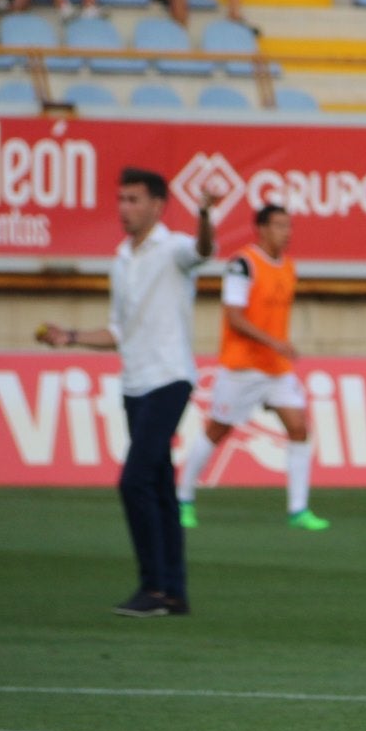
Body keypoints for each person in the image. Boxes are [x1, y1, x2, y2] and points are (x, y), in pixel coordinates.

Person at [37, 168, 215, 618]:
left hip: (169, 378)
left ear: (158, 204)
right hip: (134, 383)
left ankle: (153, 588)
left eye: (134, 200)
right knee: (158, 489)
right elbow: (119, 330)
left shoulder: (172, 247)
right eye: (121, 199)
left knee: (133, 481)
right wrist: (72, 337)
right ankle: (174, 593)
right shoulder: (121, 259)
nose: (124, 208)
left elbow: (203, 250)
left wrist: (207, 212)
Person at [177, 204, 329, 533]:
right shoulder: (242, 265)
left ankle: (298, 509)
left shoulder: (288, 267)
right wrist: (274, 342)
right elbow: (234, 316)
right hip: (242, 366)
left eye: (289, 226)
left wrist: (277, 349)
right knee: (218, 430)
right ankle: (183, 497)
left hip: (276, 369)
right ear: (260, 228)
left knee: (299, 428)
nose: (286, 232)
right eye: (278, 225)